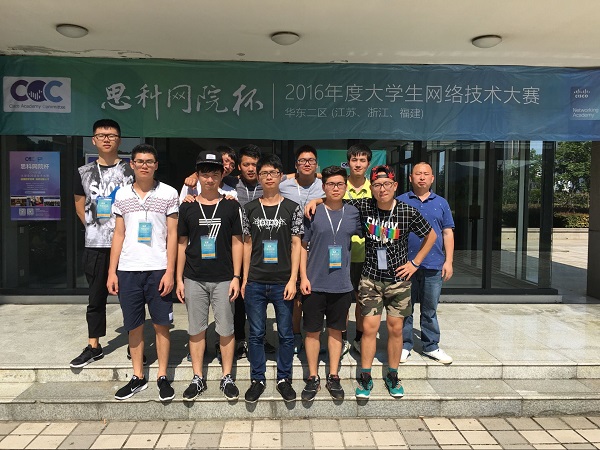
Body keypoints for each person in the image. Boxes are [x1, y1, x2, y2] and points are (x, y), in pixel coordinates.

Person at [305, 165, 437, 399]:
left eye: (387, 184)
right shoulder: (364, 206)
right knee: (368, 329)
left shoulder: (407, 211)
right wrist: (316, 200)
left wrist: (415, 263)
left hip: (399, 280)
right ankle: (365, 376)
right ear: (371, 187)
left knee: (396, 329)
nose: (382, 189)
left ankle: (393, 374)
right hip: (370, 279)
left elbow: (431, 235)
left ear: (395, 186)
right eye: (377, 185)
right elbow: (335, 198)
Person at [106, 144, 179, 401]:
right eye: (140, 161)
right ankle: (137, 376)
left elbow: (173, 235)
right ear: (132, 164)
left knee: (161, 325)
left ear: (156, 165)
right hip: (128, 269)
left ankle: (162, 376)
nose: (145, 165)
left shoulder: (169, 193)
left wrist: (170, 272)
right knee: (134, 325)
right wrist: (112, 271)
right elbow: (118, 234)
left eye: (149, 161)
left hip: (158, 268)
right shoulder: (121, 195)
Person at [176, 150, 244, 401]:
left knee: (226, 330)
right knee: (196, 329)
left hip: (224, 277)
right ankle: (198, 377)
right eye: (205, 174)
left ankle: (227, 377)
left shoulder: (231, 205)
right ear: (198, 175)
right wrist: (178, 279)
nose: (209, 179)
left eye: (215, 174)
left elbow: (237, 242)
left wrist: (236, 276)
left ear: (221, 175)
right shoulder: (187, 207)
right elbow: (181, 244)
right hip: (194, 277)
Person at [70, 119, 134, 368]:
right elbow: (79, 205)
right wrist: (94, 228)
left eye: (112, 135)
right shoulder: (83, 172)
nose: (107, 139)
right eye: (101, 135)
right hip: (96, 245)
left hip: (127, 245)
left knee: (131, 297)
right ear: (93, 140)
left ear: (119, 140)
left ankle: (134, 344)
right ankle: (94, 345)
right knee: (96, 298)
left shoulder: (131, 171)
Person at [241, 154, 303, 403]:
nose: (269, 177)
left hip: (282, 281)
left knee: (286, 334)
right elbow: (246, 245)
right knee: (256, 333)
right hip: (255, 280)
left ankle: (284, 378)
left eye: (273, 173)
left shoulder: (292, 208)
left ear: (280, 177)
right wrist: (244, 279)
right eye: (264, 173)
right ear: (258, 177)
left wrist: (293, 279)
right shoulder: (249, 209)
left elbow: (297, 244)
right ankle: (257, 378)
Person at [299, 166, 362, 401]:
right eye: (331, 184)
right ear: (323, 186)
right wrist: (303, 277)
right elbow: (302, 246)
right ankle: (312, 376)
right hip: (314, 283)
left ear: (346, 187)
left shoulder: (353, 212)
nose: (335, 188)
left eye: (340, 184)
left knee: (337, 331)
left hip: (341, 284)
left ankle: (333, 375)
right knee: (312, 331)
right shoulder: (312, 211)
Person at [397, 162, 455, 365]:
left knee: (430, 309)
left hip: (433, 264)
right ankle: (404, 345)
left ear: (432, 178)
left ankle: (431, 346)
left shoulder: (441, 203)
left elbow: (447, 233)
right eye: (418, 174)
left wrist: (449, 261)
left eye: (426, 174)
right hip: (405, 265)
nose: (422, 177)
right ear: (410, 178)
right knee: (405, 308)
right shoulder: (400, 201)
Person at [279, 145, 325, 354]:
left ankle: (315, 335)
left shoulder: (324, 185)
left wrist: (318, 200)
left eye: (311, 160)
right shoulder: (284, 184)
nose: (307, 163)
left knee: (316, 292)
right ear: (296, 164)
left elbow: (338, 195)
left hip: (317, 247)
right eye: (302, 160)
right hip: (291, 246)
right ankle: (296, 334)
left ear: (317, 164)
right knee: (296, 294)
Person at [342, 144, 373, 356]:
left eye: (362, 160)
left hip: (367, 254)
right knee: (342, 299)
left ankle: (359, 338)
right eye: (354, 160)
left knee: (363, 299)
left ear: (368, 164)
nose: (358, 164)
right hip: (341, 253)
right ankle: (342, 338)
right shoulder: (339, 185)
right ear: (348, 163)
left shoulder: (375, 188)